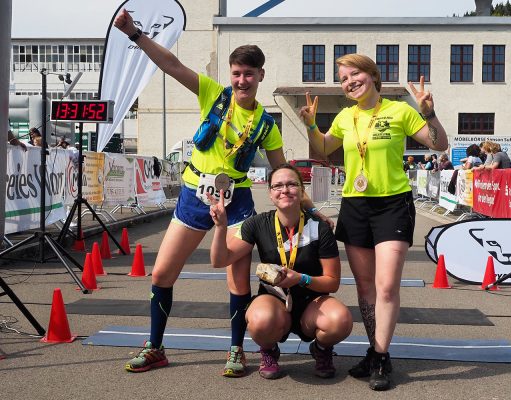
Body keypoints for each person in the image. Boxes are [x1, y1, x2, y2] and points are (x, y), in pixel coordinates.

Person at [114, 9, 330, 376]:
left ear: (261, 75)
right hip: (194, 195)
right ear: (230, 75)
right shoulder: (215, 95)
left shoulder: (266, 124)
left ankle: (236, 350)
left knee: (235, 279)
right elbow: (172, 65)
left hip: (238, 203)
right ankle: (155, 346)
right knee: (161, 274)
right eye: (237, 73)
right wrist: (135, 33)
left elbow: (283, 173)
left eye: (249, 74)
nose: (242, 80)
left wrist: (309, 209)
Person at [300, 54, 448, 391]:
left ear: (372, 76)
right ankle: (375, 350)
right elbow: (323, 149)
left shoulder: (400, 111)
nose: (349, 81)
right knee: (365, 288)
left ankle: (380, 356)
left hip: (392, 205)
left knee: (385, 287)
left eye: (355, 74)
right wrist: (311, 125)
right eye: (343, 78)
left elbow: (439, 145)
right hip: (354, 204)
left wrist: (428, 111)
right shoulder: (344, 116)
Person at [209, 164, 352, 380]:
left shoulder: (319, 227)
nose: (284, 190)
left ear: (302, 191)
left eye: (291, 184)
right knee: (259, 320)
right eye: (278, 186)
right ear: (270, 193)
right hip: (274, 300)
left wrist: (301, 279)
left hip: (311, 303)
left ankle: (321, 350)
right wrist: (220, 228)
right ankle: (269, 351)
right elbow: (220, 260)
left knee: (340, 320)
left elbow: (332, 282)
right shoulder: (257, 224)